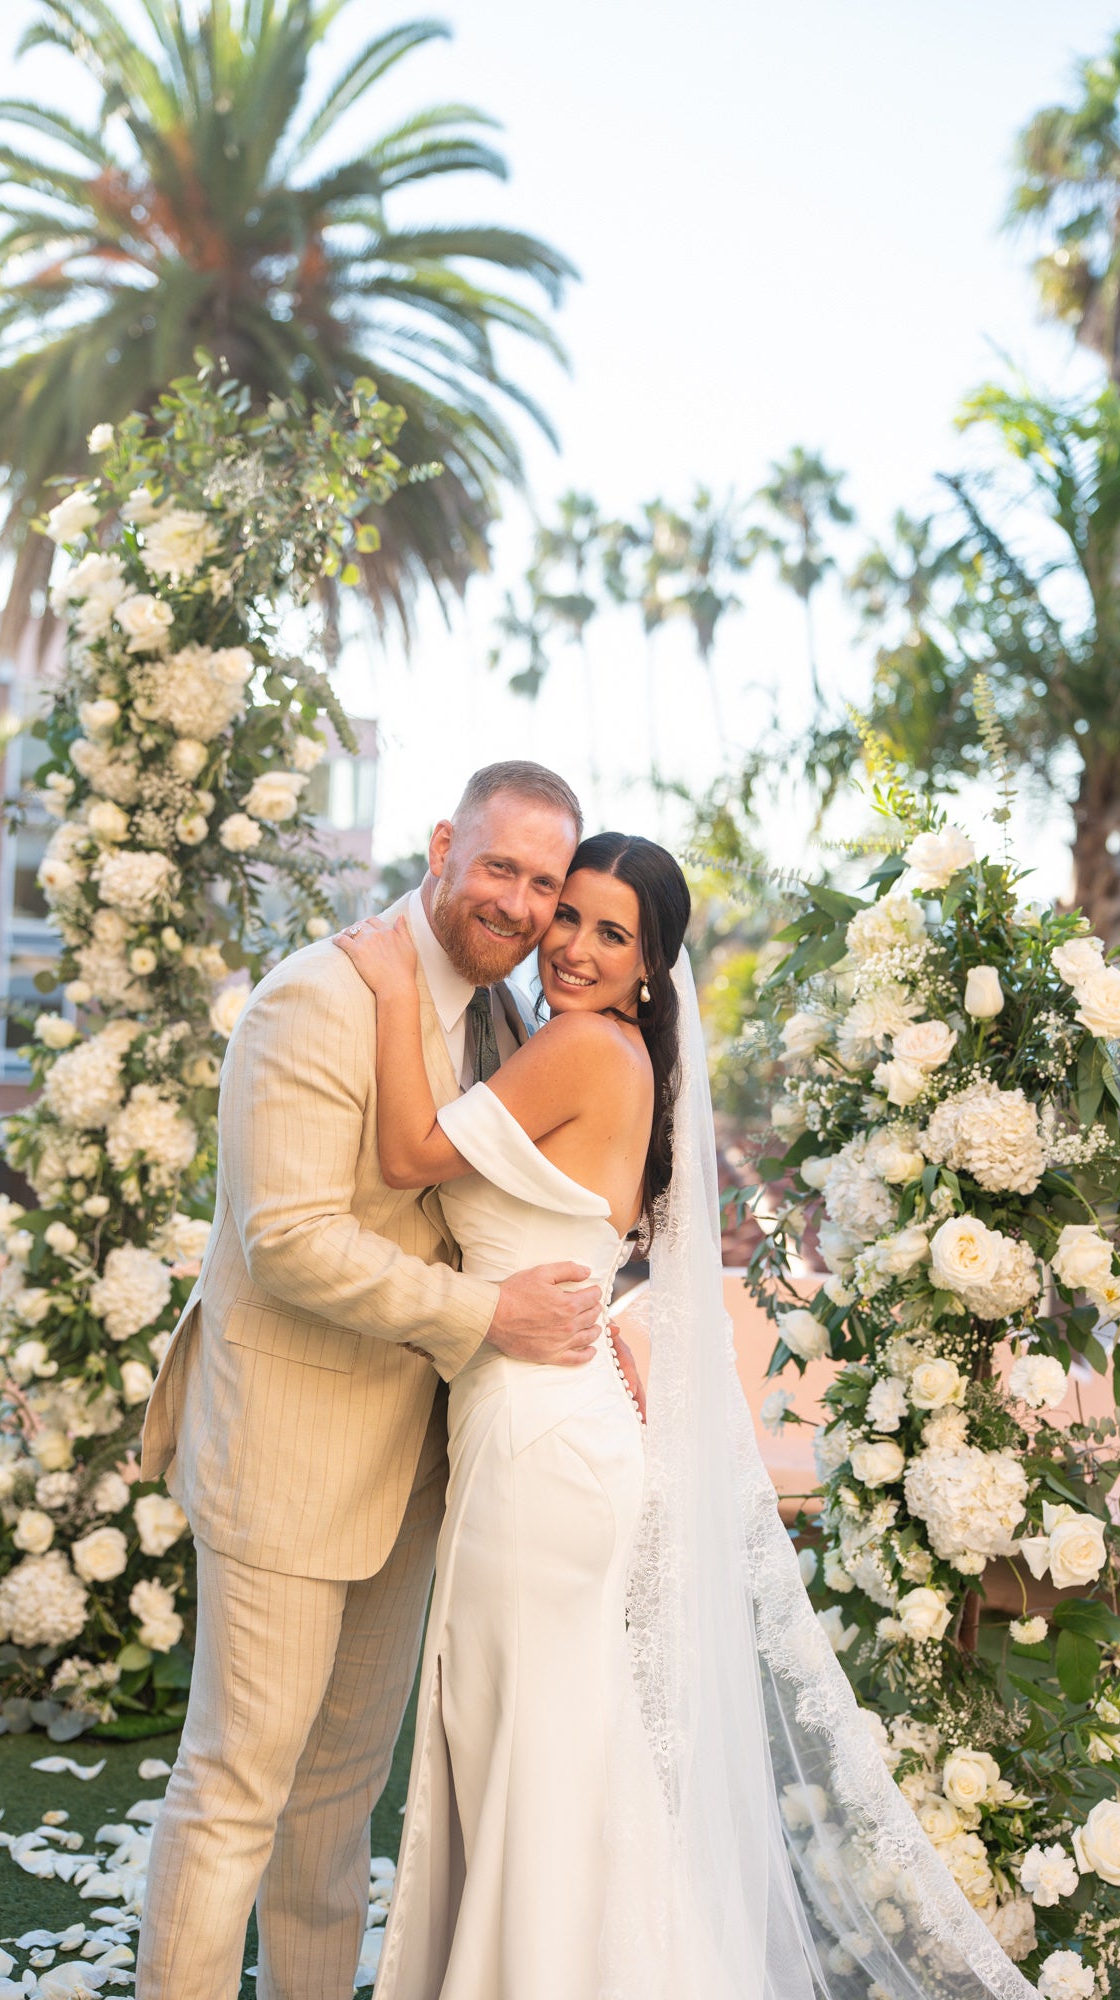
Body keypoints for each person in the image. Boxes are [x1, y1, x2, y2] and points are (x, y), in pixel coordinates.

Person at [335, 831, 1040, 2000]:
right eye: (567, 915)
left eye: (611, 933)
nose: (571, 945)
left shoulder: (579, 1047)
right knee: (557, 1743)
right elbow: (591, 1251)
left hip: (540, 1440)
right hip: (559, 1414)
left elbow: (411, 1149)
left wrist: (397, 970)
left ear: (651, 965)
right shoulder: (617, 1058)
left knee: (536, 1751)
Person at [135, 762, 614, 2000]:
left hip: (421, 1460)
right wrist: (490, 1317)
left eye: (544, 883)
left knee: (343, 1786)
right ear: (445, 844)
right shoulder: (317, 996)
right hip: (290, 1446)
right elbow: (285, 1238)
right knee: (240, 1783)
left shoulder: (514, 1026)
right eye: (499, 864)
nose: (517, 901)